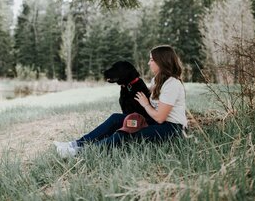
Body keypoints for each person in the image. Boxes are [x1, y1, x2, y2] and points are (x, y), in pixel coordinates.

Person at [54, 45, 188, 158]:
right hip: (155, 122)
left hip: (171, 129)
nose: (149, 63)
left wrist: (145, 104)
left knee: (127, 132)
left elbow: (160, 118)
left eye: (152, 60)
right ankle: (77, 144)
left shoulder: (172, 84)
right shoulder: (157, 80)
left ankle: (81, 153)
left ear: (162, 62)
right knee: (116, 119)